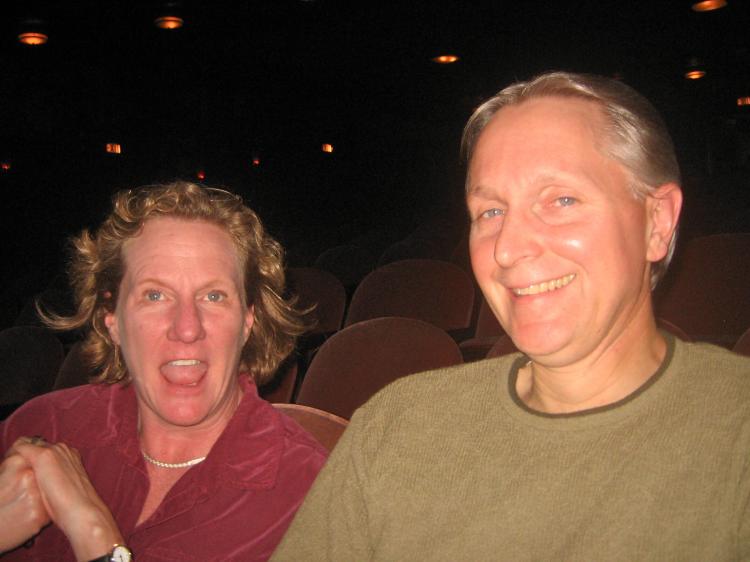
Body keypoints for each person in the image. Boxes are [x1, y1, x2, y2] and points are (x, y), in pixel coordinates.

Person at [271, 72, 750, 560]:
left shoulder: (735, 428)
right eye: (491, 212)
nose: (508, 248)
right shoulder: (398, 427)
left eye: (561, 200)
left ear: (658, 221)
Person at [1, 181, 327, 561]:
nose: (187, 328)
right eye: (155, 295)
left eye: (213, 296)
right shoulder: (41, 426)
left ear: (248, 321)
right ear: (113, 319)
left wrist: (93, 533)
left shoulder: (305, 492)